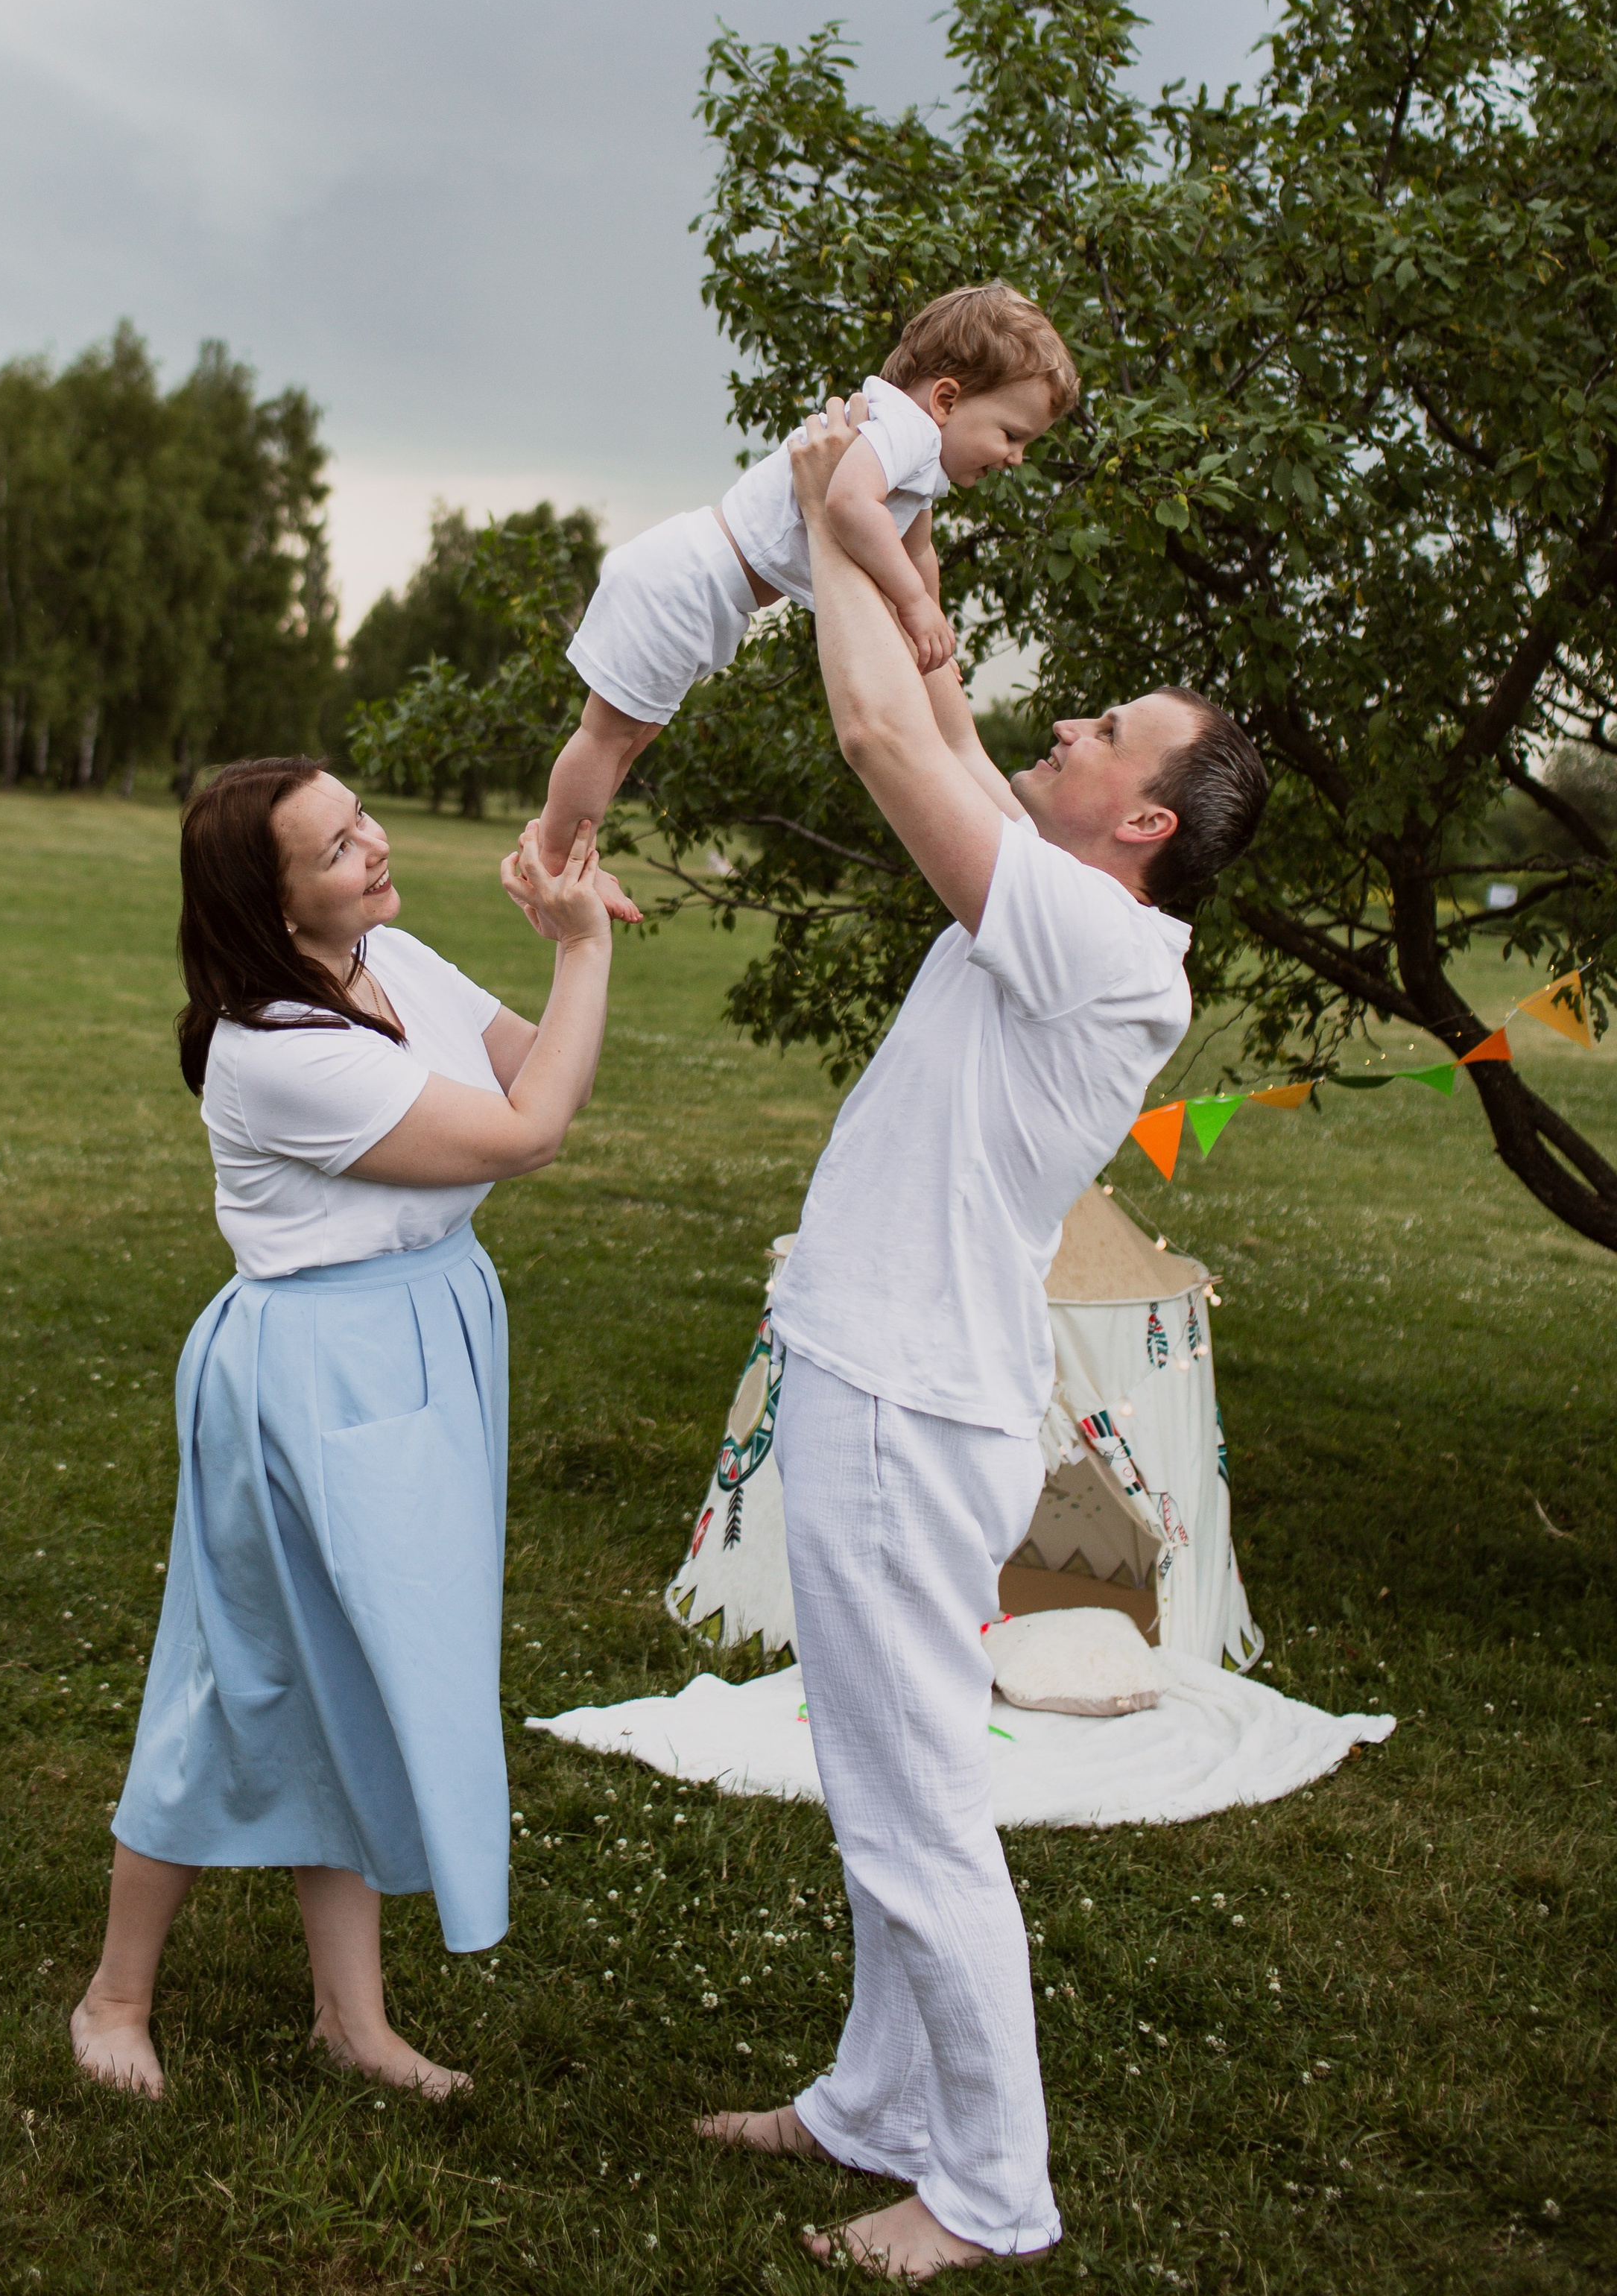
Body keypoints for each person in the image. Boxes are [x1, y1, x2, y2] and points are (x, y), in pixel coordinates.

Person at [700, 399, 1268, 2276]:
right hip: (888, 1372)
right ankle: (876, 2103)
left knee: (915, 1806)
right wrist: (896, 541)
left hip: (900, 1396)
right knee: (880, 1780)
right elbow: (937, 711)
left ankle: (989, 2190)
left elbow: (882, 738)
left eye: (1100, 730)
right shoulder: (1058, 894)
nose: (1064, 727)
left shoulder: (1101, 945)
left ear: (1143, 821)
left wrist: (815, 513)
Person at [70, 758, 613, 2102]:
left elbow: (533, 1072)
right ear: (273, 906)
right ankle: (114, 1997)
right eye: (334, 848)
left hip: (426, 1340)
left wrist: (566, 948)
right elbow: (528, 1135)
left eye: (360, 817)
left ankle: (351, 2021)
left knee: (367, 1672)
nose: (372, 845)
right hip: (316, 1374)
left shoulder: (389, 958)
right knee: (243, 1677)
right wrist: (583, 946)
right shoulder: (277, 1051)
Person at [540, 284, 1078, 921]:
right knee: (608, 737)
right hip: (684, 584)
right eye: (1012, 434)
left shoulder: (918, 454)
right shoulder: (905, 431)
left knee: (632, 737)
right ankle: (556, 861)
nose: (1016, 458)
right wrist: (914, 605)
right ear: (946, 399)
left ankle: (574, 852)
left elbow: (918, 550)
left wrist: (929, 627)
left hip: (703, 591)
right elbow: (846, 504)